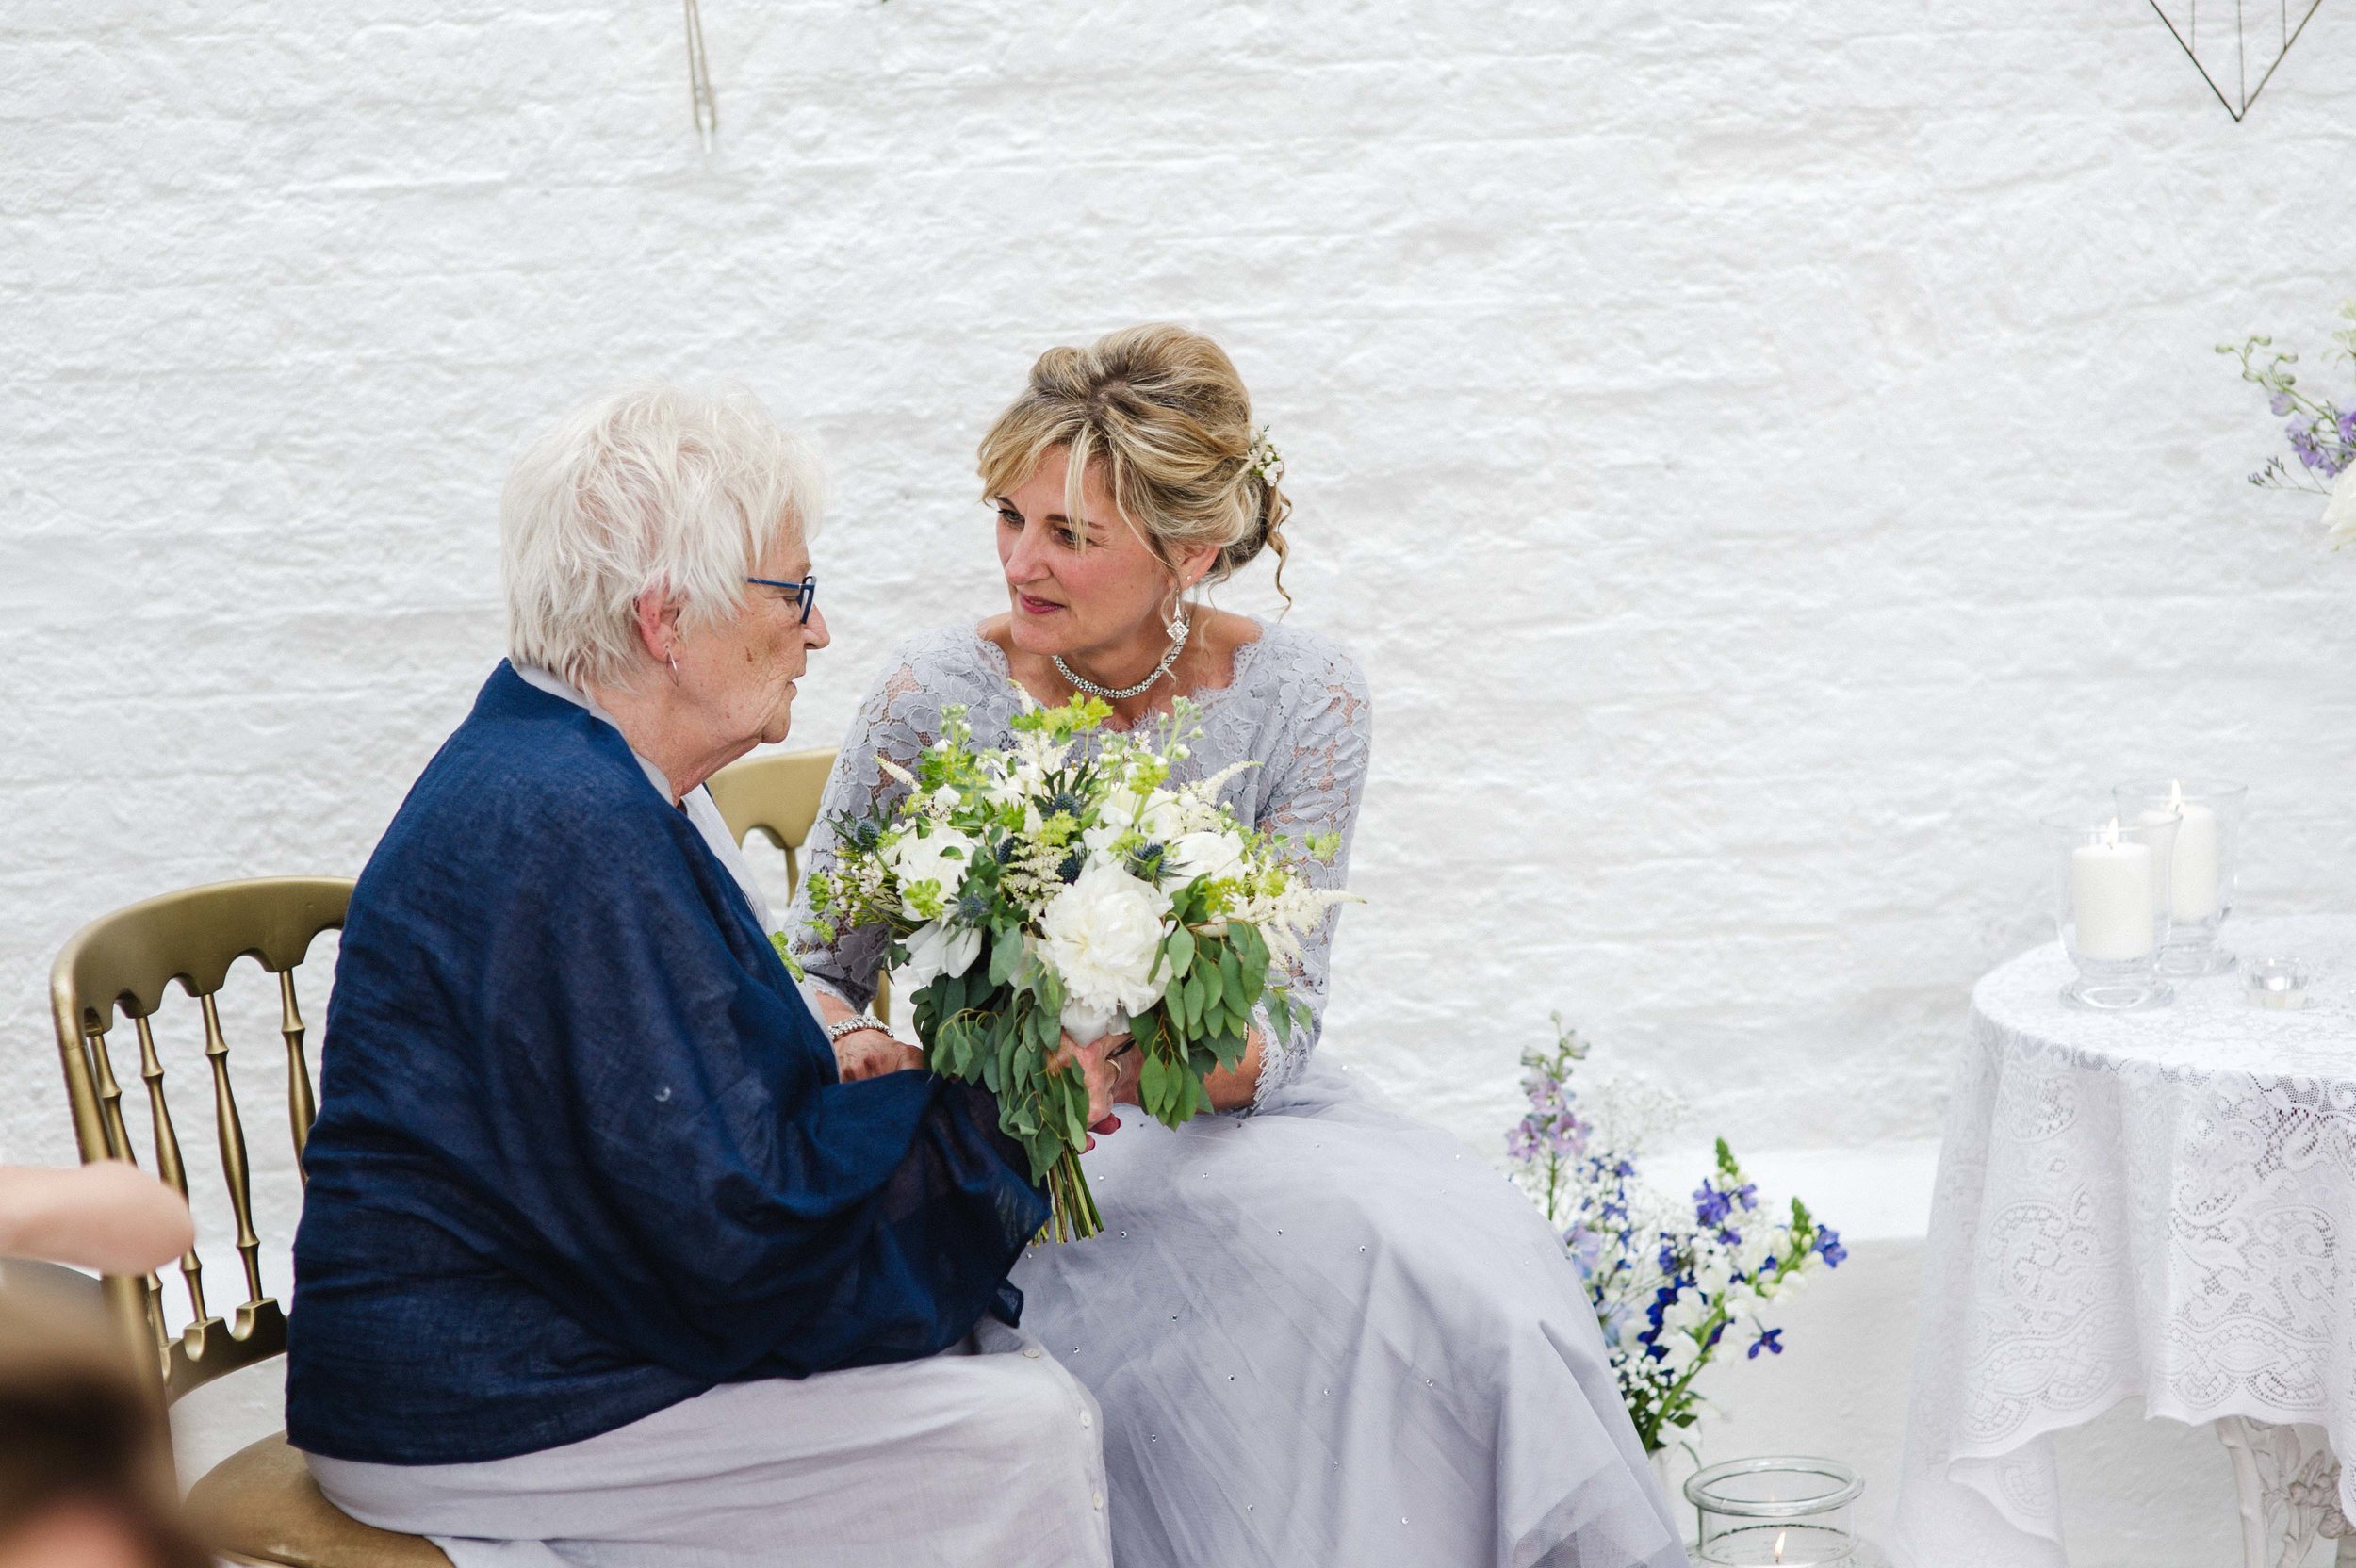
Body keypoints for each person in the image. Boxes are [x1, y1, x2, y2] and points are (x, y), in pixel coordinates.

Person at [792, 325, 1686, 1568]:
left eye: (1071, 534)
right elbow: (819, 972)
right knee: (1286, 1302)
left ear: (1190, 553)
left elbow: (1289, 1017)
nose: (1021, 562)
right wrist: (872, 1044)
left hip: (1236, 1121)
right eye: (1009, 516)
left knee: (1470, 1281)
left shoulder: (1307, 693)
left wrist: (1118, 1061)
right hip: (1017, 1156)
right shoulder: (930, 689)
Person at [284, 384, 1120, 1568]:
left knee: (989, 1354)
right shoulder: (567, 817)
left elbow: (672, 1124)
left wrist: (849, 1066)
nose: (818, 631)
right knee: (1021, 1424)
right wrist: (1008, 1112)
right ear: (668, 619)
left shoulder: (576, 761)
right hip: (472, 1385)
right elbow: (729, 1225)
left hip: (520, 1332)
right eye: (796, 591)